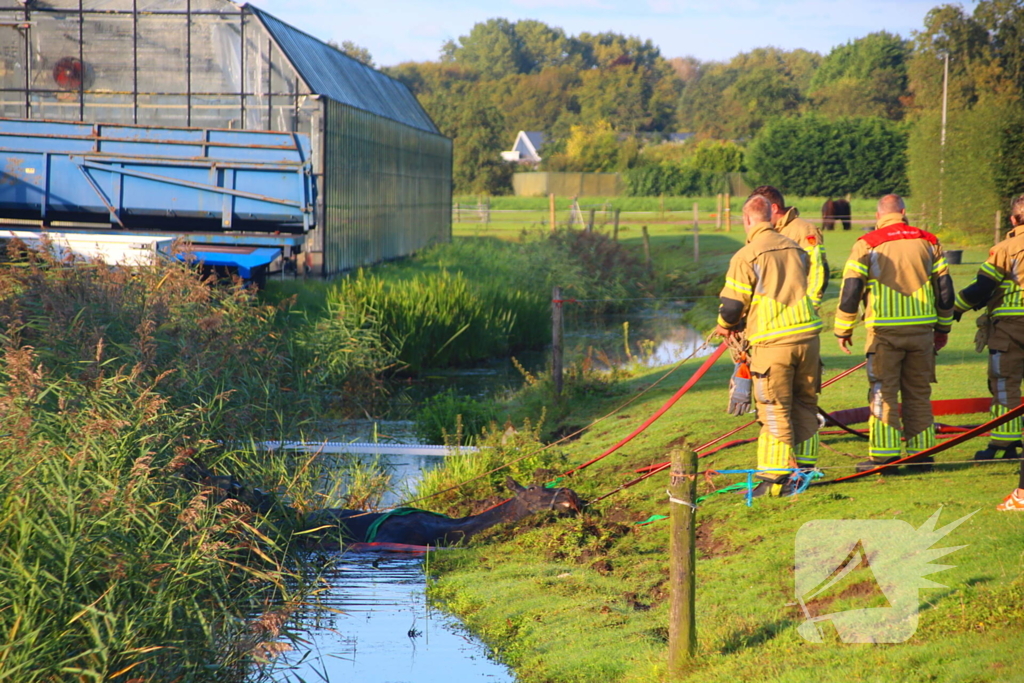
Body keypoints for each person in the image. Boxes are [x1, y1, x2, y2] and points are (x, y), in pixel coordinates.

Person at [834, 194, 955, 473]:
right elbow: (945, 291)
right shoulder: (929, 241)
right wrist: (943, 328)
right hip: (922, 330)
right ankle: (922, 455)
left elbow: (851, 290)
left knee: (882, 393)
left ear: (878, 216)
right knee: (918, 393)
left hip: (884, 333)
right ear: (902, 212)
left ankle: (885, 458)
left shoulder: (867, 244)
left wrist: (843, 328)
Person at [715, 194, 824, 496]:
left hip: (773, 342)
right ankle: (805, 472)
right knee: (805, 403)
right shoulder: (796, 248)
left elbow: (732, 306)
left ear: (747, 219)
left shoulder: (745, 256)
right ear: (771, 216)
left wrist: (725, 327)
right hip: (808, 339)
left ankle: (775, 480)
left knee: (773, 408)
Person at [953, 193, 1024, 511]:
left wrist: (954, 308)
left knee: (1004, 381)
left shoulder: (1007, 248)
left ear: (1013, 219)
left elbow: (982, 287)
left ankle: (1006, 442)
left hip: (1012, 327)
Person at [751, 185, 829, 307]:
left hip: (796, 309)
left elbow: (817, 269)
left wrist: (811, 305)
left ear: (774, 208)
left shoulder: (805, 231)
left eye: (760, 211)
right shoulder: (762, 232)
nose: (757, 218)